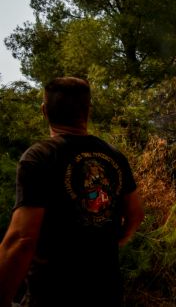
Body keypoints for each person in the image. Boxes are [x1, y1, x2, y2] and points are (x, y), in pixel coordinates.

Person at [0, 77, 144, 307]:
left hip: (54, 295)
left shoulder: (39, 157)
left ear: (44, 111)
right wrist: (116, 241)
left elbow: (22, 239)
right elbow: (136, 213)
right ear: (88, 110)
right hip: (107, 293)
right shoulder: (114, 156)